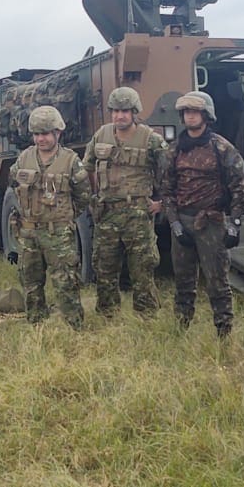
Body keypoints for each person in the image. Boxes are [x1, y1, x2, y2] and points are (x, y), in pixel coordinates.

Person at [161, 91, 244, 337]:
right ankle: (180, 330)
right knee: (183, 282)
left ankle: (224, 333)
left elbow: (239, 188)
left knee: (217, 282)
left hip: (212, 222)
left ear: (206, 115)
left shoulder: (222, 148)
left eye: (195, 112)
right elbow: (166, 190)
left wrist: (235, 224)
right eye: (186, 112)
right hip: (183, 220)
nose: (190, 116)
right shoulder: (174, 150)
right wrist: (175, 223)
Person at [83, 87, 168, 318]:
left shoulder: (151, 139)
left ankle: (147, 316)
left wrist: (161, 203)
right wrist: (93, 196)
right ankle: (107, 315)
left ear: (134, 112)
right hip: (107, 213)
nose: (119, 116)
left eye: (125, 111)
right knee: (104, 268)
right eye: (115, 111)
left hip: (137, 214)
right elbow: (87, 167)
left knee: (142, 268)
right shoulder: (101, 135)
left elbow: (169, 174)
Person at [9, 105, 90, 329]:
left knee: (66, 282)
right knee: (30, 281)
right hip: (29, 232)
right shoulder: (24, 158)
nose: (40, 139)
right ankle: (36, 324)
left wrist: (63, 218)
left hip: (58, 234)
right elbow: (14, 183)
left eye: (45, 133)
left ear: (58, 133)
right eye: (36, 134)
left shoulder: (71, 161)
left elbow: (83, 196)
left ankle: (73, 327)